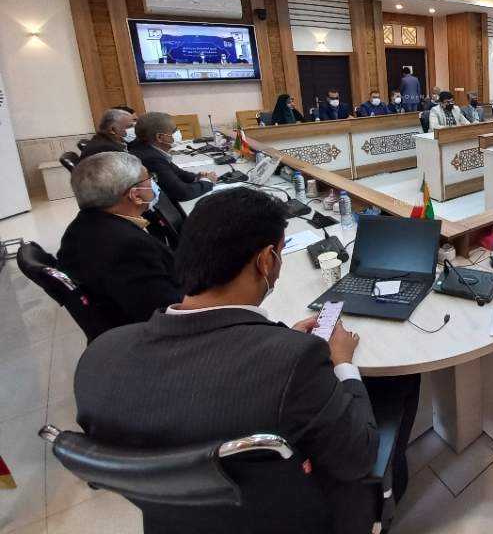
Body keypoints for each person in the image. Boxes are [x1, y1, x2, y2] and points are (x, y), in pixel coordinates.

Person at [72, 187, 420, 533]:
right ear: (265, 260)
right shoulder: (293, 362)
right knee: (402, 380)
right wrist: (342, 363)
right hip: (305, 517)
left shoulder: (99, 357)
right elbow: (358, 457)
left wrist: (278, 341)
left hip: (175, 521)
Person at [57, 152, 179, 327]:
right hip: (155, 330)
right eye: (149, 178)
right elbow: (169, 312)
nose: (153, 183)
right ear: (135, 195)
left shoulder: (81, 226)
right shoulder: (128, 248)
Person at [131, 112, 217, 202]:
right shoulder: (151, 159)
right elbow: (183, 193)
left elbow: (176, 172)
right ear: (159, 137)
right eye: (174, 131)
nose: (178, 133)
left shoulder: (146, 148)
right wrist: (208, 181)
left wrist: (195, 177)